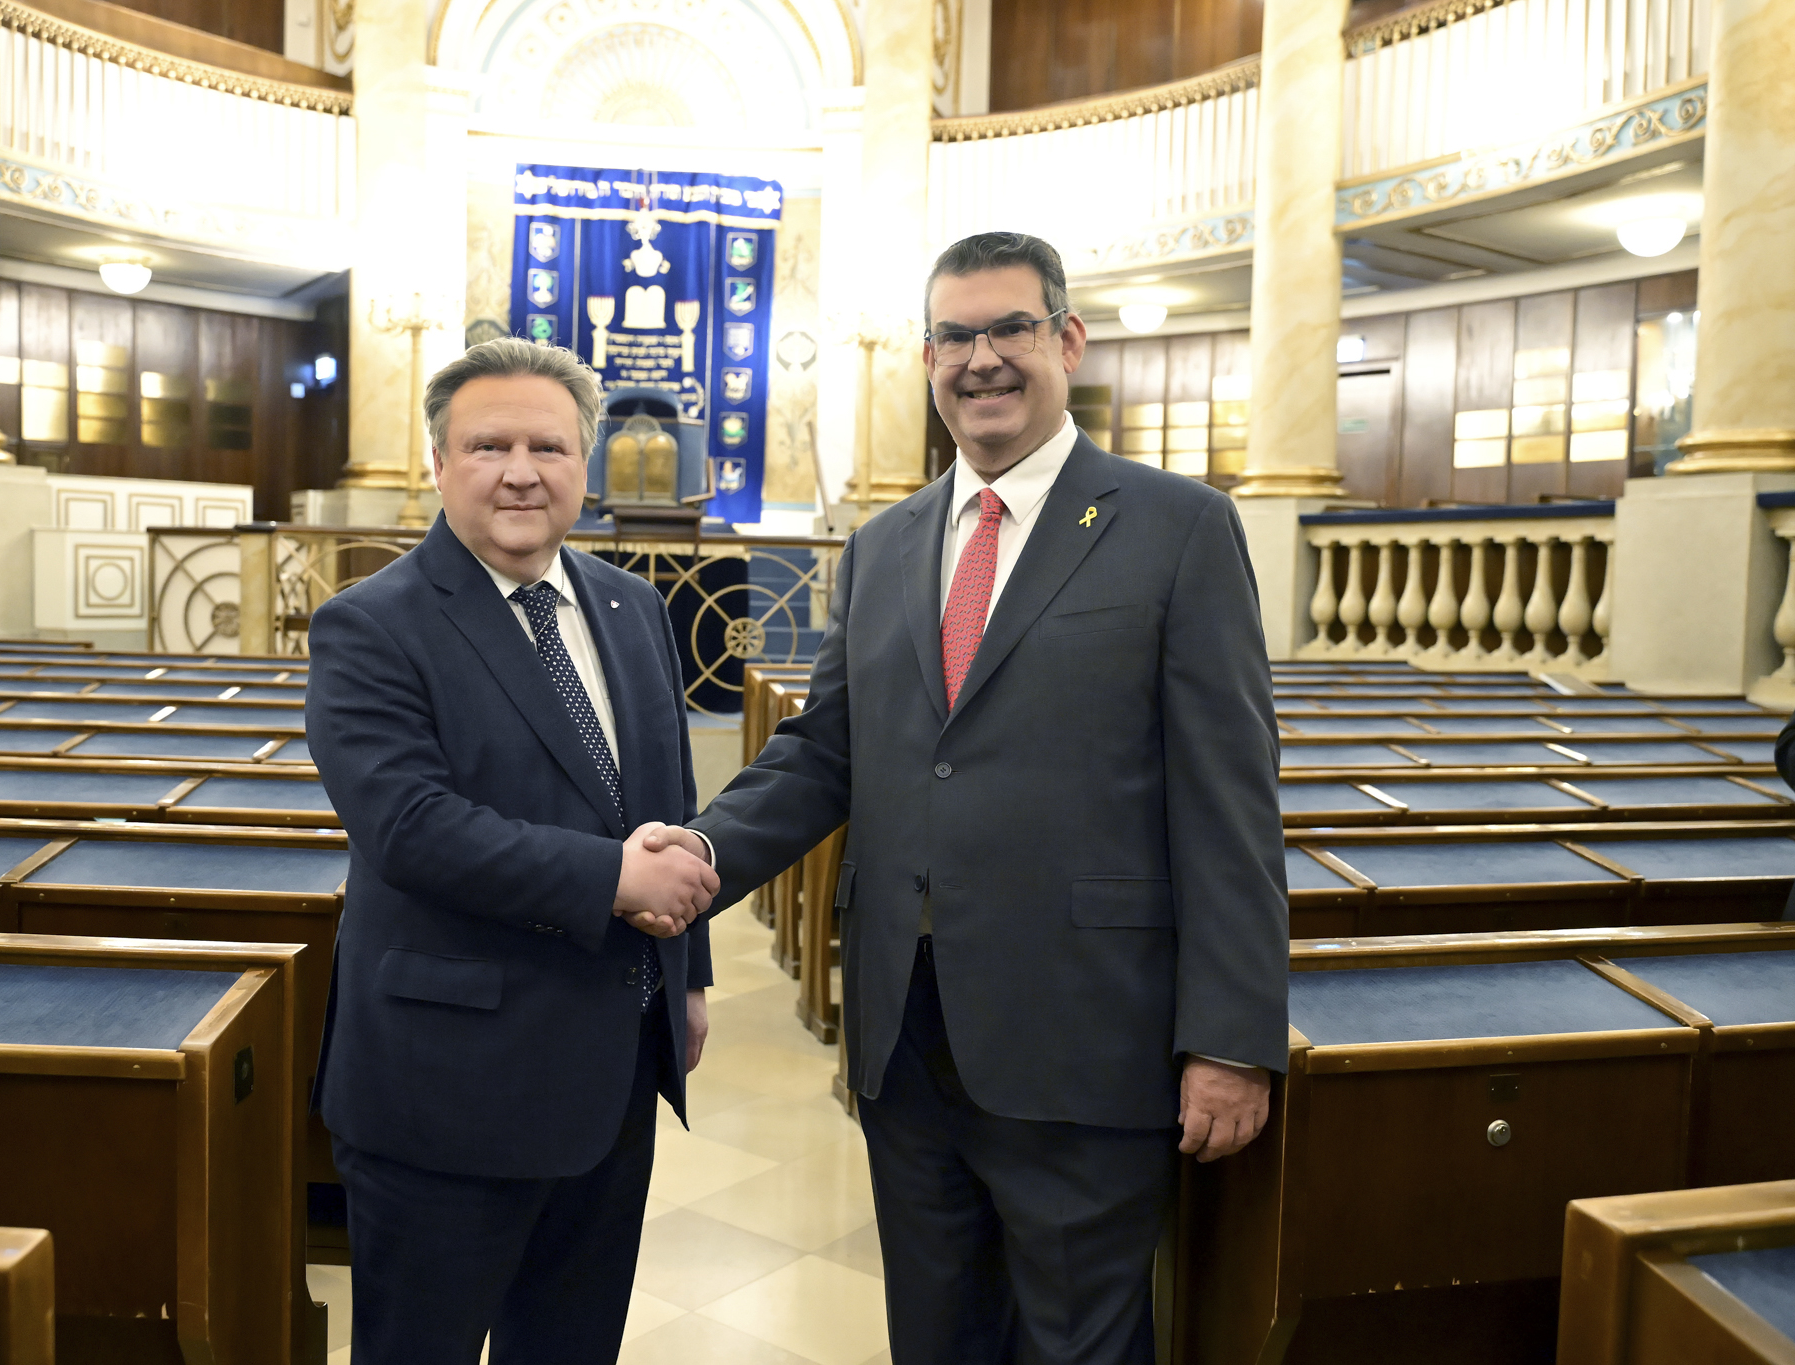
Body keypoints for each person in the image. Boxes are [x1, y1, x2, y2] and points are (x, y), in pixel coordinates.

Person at [646, 231, 1289, 1363]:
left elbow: (1227, 799)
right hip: (905, 1033)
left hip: (1087, 1037)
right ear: (926, 357)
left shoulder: (1176, 527)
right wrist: (694, 858)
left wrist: (1230, 1041)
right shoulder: (888, 543)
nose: (979, 359)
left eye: (1008, 330)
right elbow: (826, 753)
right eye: (952, 336)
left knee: (1078, 1343)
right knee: (934, 1336)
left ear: (1066, 342)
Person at [304, 336, 721, 1365]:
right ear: (438, 463)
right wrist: (615, 877)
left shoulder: (629, 607)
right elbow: (409, 826)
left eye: (548, 445)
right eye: (488, 445)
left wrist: (689, 977)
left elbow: (663, 798)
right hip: (448, 1083)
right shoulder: (370, 624)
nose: (521, 471)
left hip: (613, 1067)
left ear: (584, 463)